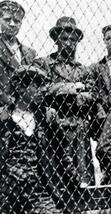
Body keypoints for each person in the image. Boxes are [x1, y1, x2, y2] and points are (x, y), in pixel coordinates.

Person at [0, 66, 65, 214]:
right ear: (19, 87)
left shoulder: (47, 116)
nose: (39, 89)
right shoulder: (3, 117)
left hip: (37, 190)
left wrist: (67, 183)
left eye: (40, 84)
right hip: (5, 192)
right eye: (34, 84)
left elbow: (61, 150)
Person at [33, 17, 100, 188]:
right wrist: (72, 88)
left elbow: (92, 96)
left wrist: (71, 95)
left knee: (82, 180)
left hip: (79, 128)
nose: (69, 43)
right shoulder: (44, 64)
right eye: (64, 38)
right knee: (56, 178)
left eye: (72, 39)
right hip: (55, 127)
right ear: (56, 39)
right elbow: (41, 90)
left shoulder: (83, 70)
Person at [0, 1, 37, 108]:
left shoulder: (30, 52)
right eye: (7, 19)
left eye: (16, 21)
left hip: (23, 107)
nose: (12, 24)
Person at [86, 25, 111, 118]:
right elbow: (91, 91)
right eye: (109, 39)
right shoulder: (96, 68)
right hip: (104, 117)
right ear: (104, 40)